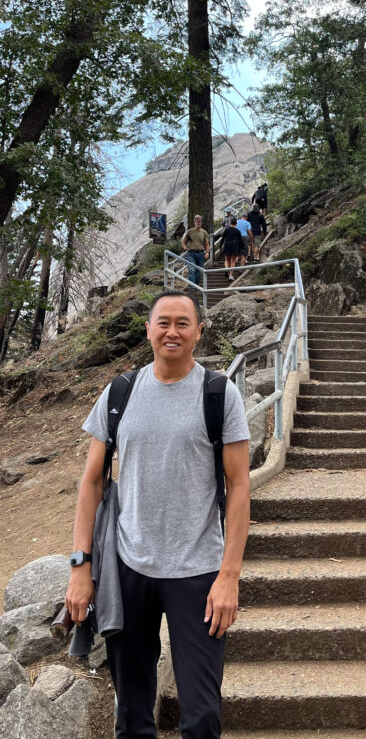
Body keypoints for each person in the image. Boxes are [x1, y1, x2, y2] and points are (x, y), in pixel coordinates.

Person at [65, 290, 251, 739]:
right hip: (129, 568)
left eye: (183, 323)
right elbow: (91, 482)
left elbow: (240, 486)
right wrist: (80, 566)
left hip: (198, 570)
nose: (172, 331)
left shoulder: (218, 393)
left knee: (203, 716)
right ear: (148, 329)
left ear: (199, 332)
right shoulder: (120, 393)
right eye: (163, 322)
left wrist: (229, 576)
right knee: (131, 713)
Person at [181, 214, 210, 288]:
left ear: (201, 222)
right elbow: (183, 241)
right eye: (197, 221)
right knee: (192, 270)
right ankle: (191, 287)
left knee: (199, 271)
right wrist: (184, 246)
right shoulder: (190, 231)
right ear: (194, 222)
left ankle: (196, 286)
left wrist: (207, 252)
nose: (198, 223)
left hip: (201, 254)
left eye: (200, 221)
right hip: (191, 253)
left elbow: (206, 244)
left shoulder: (204, 232)